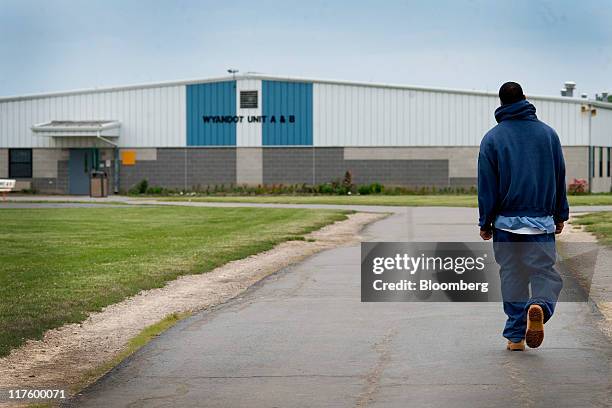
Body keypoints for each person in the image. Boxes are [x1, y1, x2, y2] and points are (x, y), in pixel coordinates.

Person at [478, 82, 569, 351]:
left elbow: (487, 185)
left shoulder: (492, 138)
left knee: (511, 276)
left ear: (501, 103)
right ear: (525, 99)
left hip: (506, 223)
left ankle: (515, 337)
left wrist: (486, 222)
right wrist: (560, 214)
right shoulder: (548, 135)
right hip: (540, 222)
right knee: (545, 274)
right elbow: (559, 177)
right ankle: (538, 306)